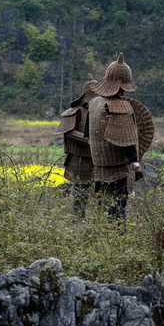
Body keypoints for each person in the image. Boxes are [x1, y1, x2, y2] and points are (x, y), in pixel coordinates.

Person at [86, 53, 153, 221]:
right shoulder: (120, 106)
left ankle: (102, 228)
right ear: (122, 86)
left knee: (103, 201)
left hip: (99, 163)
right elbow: (126, 139)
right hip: (117, 165)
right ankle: (117, 230)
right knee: (118, 202)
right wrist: (134, 160)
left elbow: (88, 133)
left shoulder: (94, 103)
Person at [55, 74, 98, 219]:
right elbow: (68, 131)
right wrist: (87, 140)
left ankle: (100, 223)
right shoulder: (77, 111)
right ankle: (77, 220)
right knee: (81, 192)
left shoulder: (100, 111)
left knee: (101, 194)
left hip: (98, 158)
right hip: (80, 159)